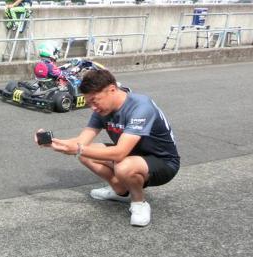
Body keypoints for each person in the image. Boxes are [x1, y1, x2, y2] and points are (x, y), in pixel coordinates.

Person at [37, 69, 180, 227]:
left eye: (95, 101)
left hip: (163, 161)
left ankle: (139, 202)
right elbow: (81, 141)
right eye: (89, 103)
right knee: (86, 154)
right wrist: (54, 143)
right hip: (131, 154)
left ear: (112, 90)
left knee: (123, 166)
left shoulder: (141, 106)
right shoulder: (102, 110)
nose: (93, 108)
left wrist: (78, 149)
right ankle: (120, 190)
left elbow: (119, 153)